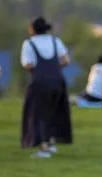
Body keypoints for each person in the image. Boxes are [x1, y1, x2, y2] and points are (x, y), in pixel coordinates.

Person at [21, 16, 72, 159]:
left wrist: (41, 70)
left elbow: (27, 64)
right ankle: (52, 141)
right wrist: (53, 68)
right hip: (58, 80)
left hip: (41, 82)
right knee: (54, 112)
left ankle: (44, 147)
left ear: (33, 29)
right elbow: (66, 60)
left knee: (40, 113)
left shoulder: (29, 43)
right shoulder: (55, 40)